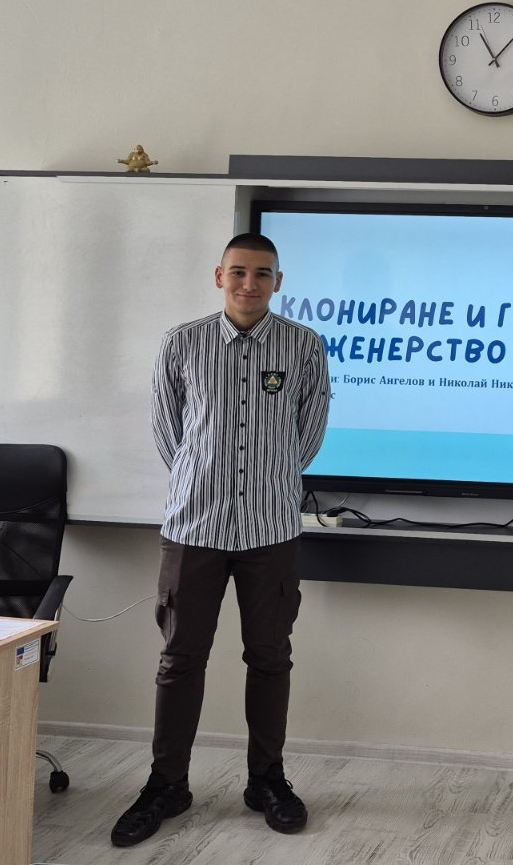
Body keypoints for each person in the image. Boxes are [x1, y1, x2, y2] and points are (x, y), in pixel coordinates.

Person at [111, 232, 331, 847]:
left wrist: (267, 481)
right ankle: (167, 785)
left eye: (262, 273)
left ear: (278, 282)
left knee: (270, 657)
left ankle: (267, 781)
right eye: (238, 272)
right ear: (219, 276)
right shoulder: (181, 342)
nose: (249, 283)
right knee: (180, 659)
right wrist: (204, 479)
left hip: (271, 531)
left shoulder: (304, 346)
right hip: (194, 530)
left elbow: (308, 434)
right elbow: (169, 432)